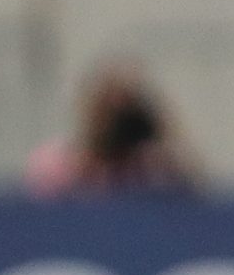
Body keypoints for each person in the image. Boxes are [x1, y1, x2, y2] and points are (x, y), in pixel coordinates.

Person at [28, 65, 198, 195]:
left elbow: (194, 201)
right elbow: (39, 220)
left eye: (125, 109)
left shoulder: (149, 170)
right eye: (107, 109)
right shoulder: (54, 162)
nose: (115, 123)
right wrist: (89, 165)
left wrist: (164, 132)